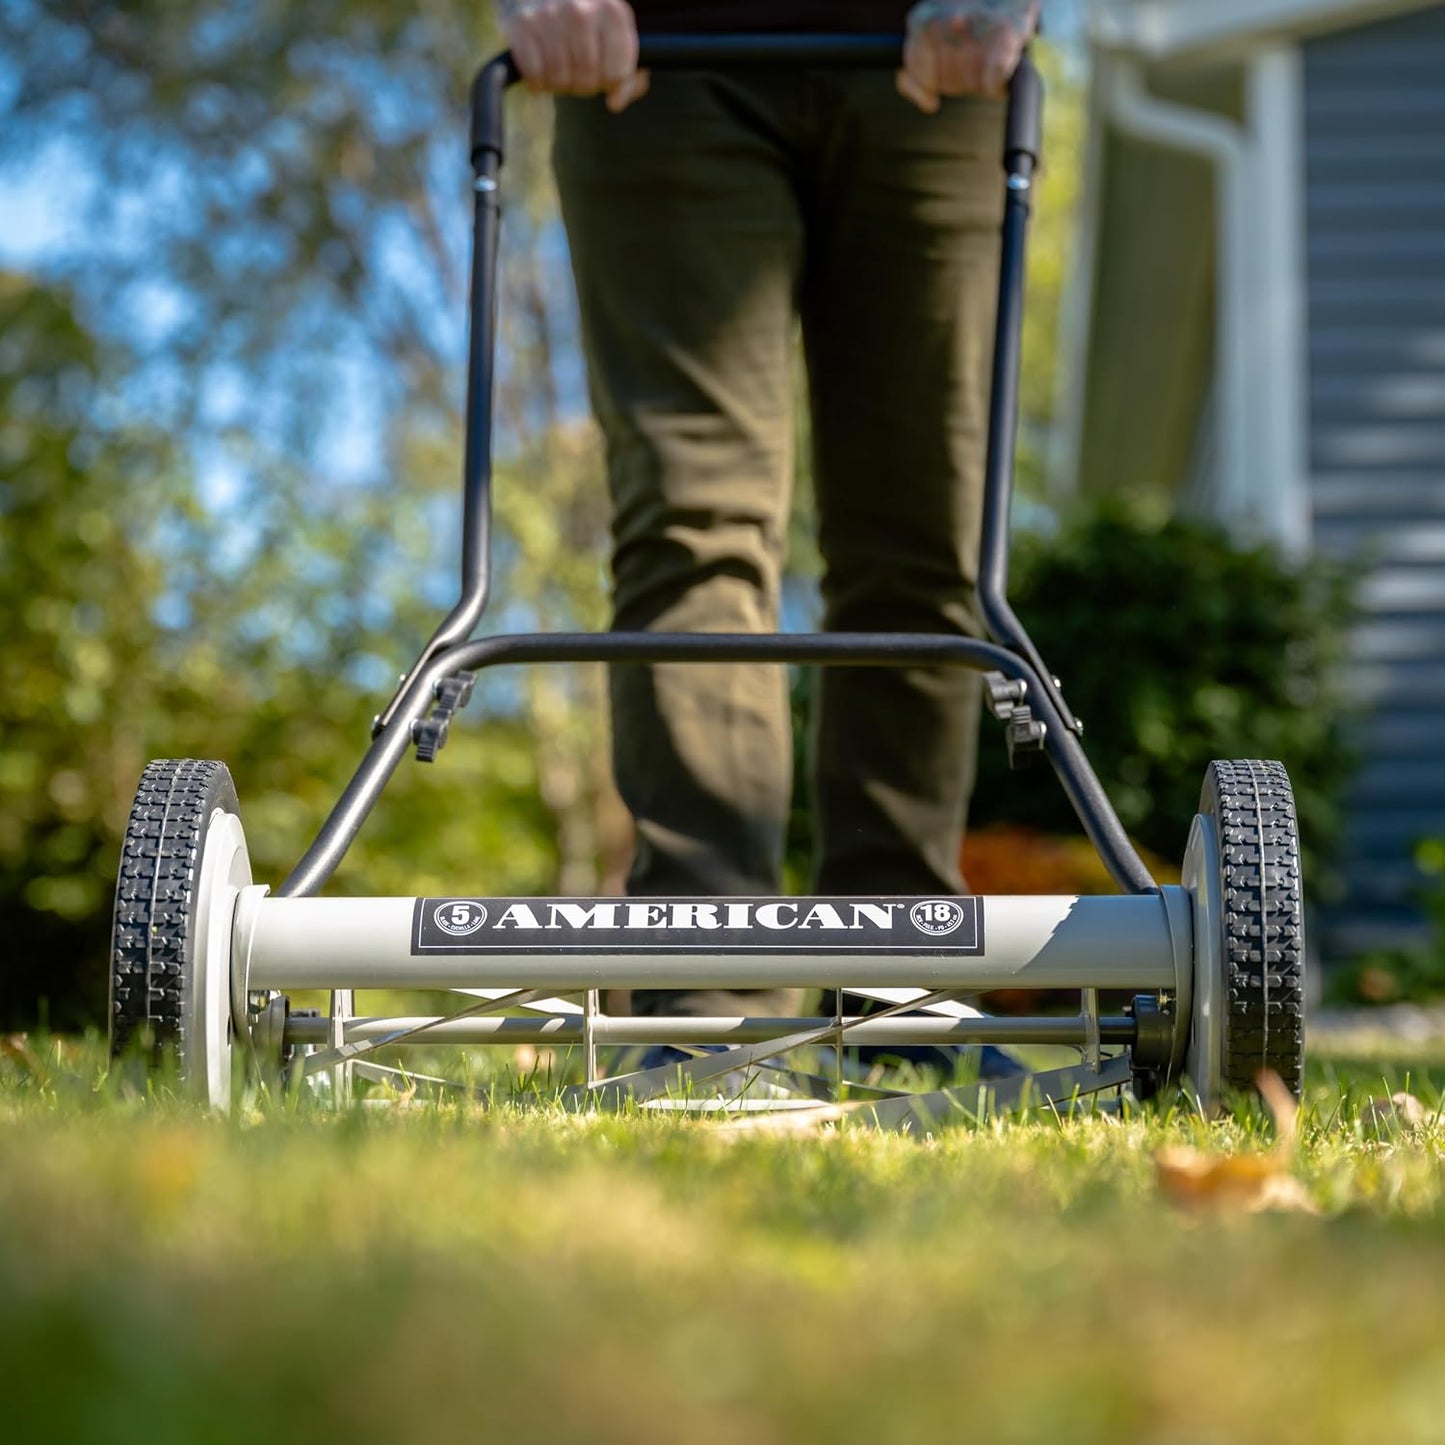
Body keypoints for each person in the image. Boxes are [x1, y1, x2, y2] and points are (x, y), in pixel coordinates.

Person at [497, 0, 1039, 1062]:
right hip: (650, 61)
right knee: (690, 529)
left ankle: (897, 993)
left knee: (923, 539)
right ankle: (709, 1005)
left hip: (936, 60)